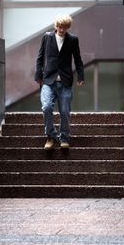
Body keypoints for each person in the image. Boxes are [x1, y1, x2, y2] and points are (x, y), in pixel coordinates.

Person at [34, 14, 84, 150]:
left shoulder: (73, 40)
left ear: (68, 27)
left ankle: (64, 138)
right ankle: (50, 137)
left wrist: (81, 76)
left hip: (65, 82)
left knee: (65, 111)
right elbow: (40, 58)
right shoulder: (47, 37)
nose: (61, 29)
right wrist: (38, 75)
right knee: (46, 107)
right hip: (48, 81)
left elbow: (78, 59)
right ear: (56, 26)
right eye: (59, 26)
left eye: (65, 27)